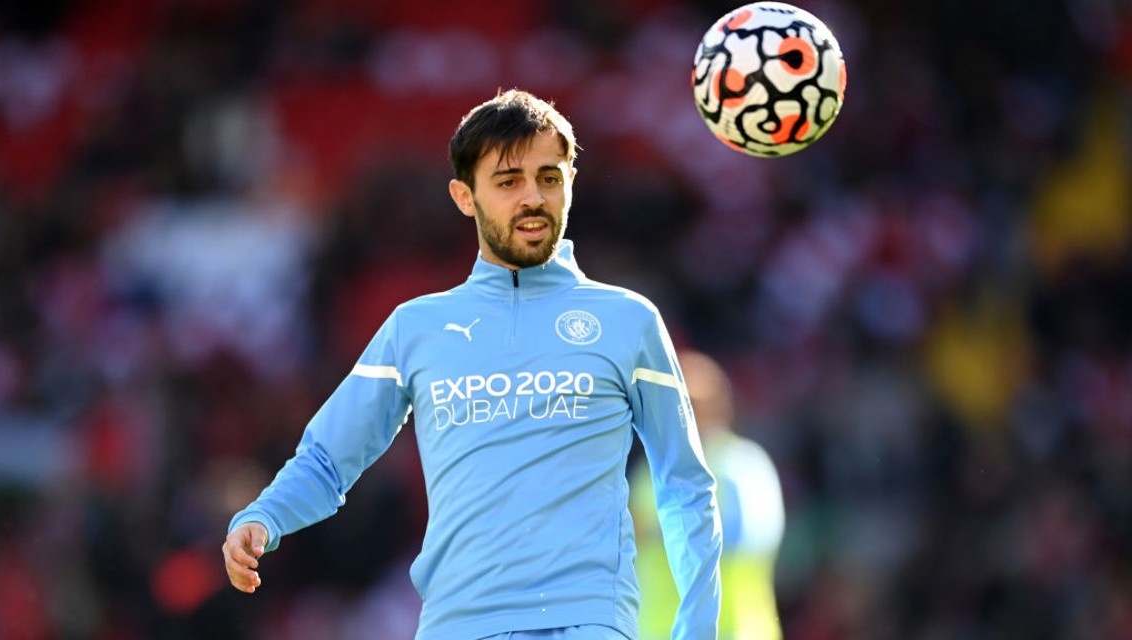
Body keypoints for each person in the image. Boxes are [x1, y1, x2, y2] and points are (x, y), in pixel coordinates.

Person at [222, 89, 723, 640]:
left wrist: (697, 630)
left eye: (548, 178)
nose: (532, 197)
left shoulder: (629, 320)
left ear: (571, 183)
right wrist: (264, 517)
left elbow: (684, 486)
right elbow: (327, 460)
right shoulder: (416, 328)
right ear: (465, 196)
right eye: (508, 182)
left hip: (587, 622)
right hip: (456, 624)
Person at [630, 350, 785, 640]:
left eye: (692, 405)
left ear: (721, 407)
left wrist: (657, 530)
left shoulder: (743, 465)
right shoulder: (650, 470)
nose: (683, 416)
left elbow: (746, 535)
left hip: (733, 631)